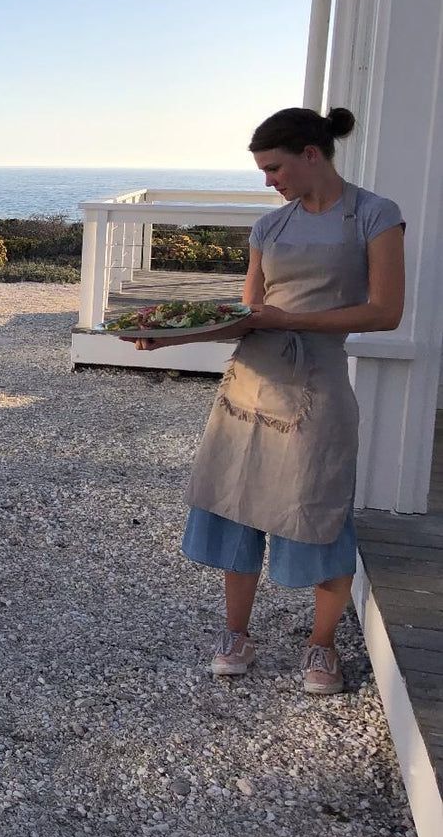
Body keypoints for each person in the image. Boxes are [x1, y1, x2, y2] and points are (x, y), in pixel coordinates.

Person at [133, 107, 404, 694]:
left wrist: (292, 318)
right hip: (252, 379)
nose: (267, 181)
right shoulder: (269, 228)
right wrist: (174, 334)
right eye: (262, 170)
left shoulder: (376, 216)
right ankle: (237, 634)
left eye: (274, 167)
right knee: (236, 498)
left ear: (313, 154)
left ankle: (322, 645)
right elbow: (245, 318)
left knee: (320, 505)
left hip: (319, 383)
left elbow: (386, 311)